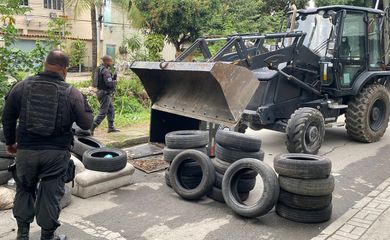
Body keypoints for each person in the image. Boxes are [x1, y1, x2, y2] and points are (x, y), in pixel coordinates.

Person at [2, 50, 93, 240]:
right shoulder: (72, 93)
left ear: (45, 64)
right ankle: (47, 237)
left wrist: (11, 143)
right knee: (50, 195)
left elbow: (7, 117)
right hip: (56, 154)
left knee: (24, 190)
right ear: (65, 70)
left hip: (26, 152)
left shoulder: (21, 87)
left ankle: (22, 235)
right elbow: (86, 123)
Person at [90, 55, 120, 135]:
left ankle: (111, 127)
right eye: (110, 61)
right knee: (103, 112)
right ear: (106, 61)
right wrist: (115, 81)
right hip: (104, 94)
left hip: (100, 92)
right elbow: (109, 84)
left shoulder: (99, 69)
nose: (111, 62)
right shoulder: (106, 71)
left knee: (111, 110)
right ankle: (91, 128)